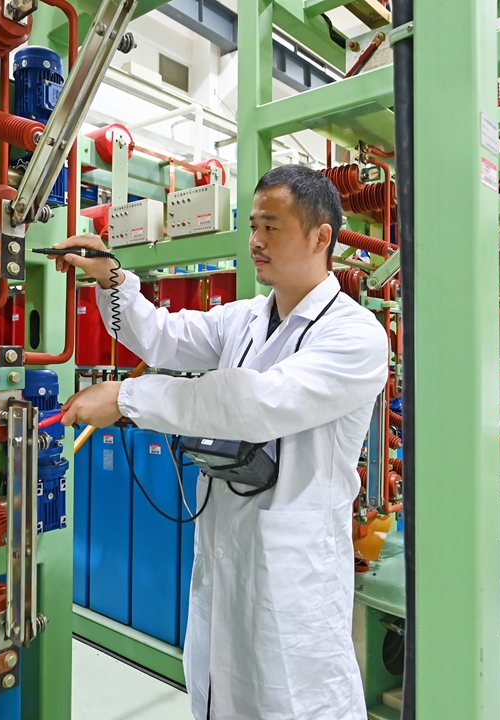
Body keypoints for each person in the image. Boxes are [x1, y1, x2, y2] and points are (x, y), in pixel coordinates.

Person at [59, 164, 388, 719]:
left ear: (320, 237)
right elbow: (162, 337)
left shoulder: (355, 335)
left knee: (292, 703)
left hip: (292, 575)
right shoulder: (244, 318)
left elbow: (256, 405)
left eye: (271, 227)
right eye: (253, 225)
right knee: (221, 696)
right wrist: (112, 278)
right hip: (225, 558)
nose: (255, 240)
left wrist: (128, 398)